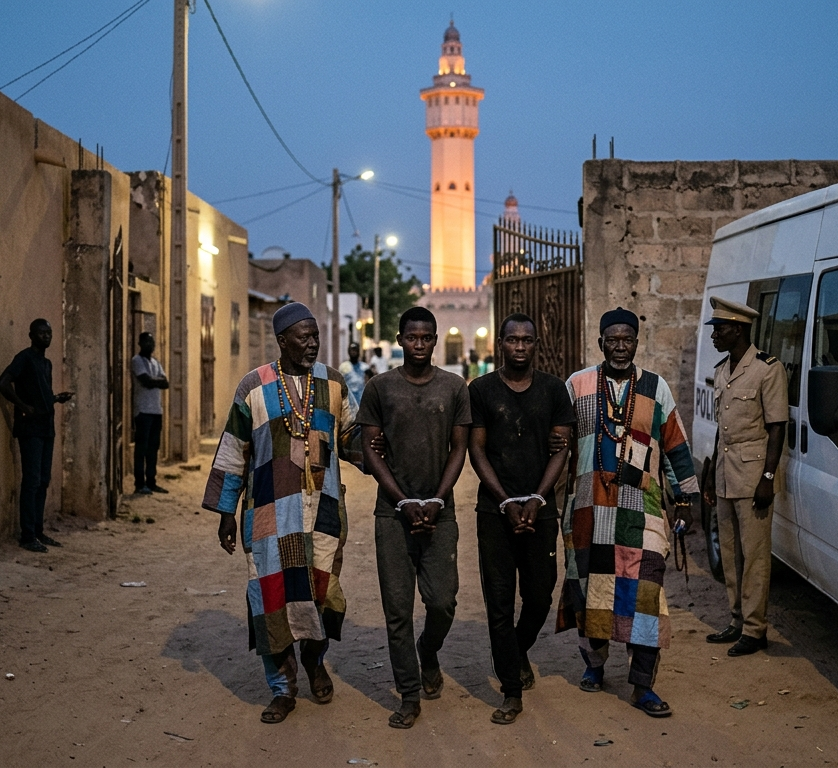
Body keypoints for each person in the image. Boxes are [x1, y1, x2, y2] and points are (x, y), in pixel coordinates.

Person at [201, 302, 361, 725]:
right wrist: (226, 512)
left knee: (323, 594)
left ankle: (314, 661)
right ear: (282, 340)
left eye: (315, 336)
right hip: (269, 515)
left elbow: (352, 438)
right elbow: (235, 451)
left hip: (322, 514)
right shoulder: (252, 387)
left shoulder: (333, 383)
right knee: (272, 598)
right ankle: (282, 687)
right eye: (303, 337)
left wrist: (386, 441)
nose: (311, 344)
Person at [557, 307, 699, 718]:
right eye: (612, 340)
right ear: (601, 342)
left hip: (644, 510)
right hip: (588, 504)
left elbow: (675, 446)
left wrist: (685, 497)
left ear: (637, 342)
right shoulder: (578, 385)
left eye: (628, 340)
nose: (620, 347)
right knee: (591, 587)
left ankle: (641, 685)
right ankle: (594, 666)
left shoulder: (656, 388)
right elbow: (558, 446)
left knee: (646, 594)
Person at [357, 306, 471, 729]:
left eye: (427, 338)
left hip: (440, 513)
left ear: (435, 340)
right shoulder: (379, 388)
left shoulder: (454, 387)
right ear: (400, 339)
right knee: (397, 610)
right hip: (392, 514)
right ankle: (408, 693)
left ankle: (430, 650)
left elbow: (458, 448)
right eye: (412, 337)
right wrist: (402, 500)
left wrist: (438, 500)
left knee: (443, 601)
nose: (419, 345)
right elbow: (370, 447)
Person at [466, 313, 575, 725]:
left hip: (540, 509)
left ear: (536, 344)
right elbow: (477, 451)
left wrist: (536, 499)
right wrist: (506, 502)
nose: (520, 347)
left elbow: (561, 448)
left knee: (540, 595)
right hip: (494, 511)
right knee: (498, 601)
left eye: (527, 340)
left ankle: (515, 649)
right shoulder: (481, 390)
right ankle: (511, 689)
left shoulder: (553, 390)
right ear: (500, 343)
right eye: (512, 340)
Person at [701, 296, 788, 657]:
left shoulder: (768, 368)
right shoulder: (723, 370)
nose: (714, 336)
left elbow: (777, 426)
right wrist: (709, 475)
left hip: (753, 476)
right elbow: (723, 427)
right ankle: (737, 620)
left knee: (754, 556)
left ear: (737, 329)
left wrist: (767, 476)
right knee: (730, 553)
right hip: (725, 473)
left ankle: (755, 630)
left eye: (718, 329)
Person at [0, 318, 74, 553]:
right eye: (41, 333)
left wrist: (56, 399)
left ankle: (38, 531)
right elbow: (2, 383)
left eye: (49, 333)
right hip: (30, 429)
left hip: (46, 427)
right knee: (31, 481)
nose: (46, 337)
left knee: (42, 480)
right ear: (31, 335)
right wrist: (22, 406)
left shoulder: (47, 364)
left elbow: (42, 394)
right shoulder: (24, 358)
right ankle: (27, 534)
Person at [130, 332, 169, 494]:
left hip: (156, 411)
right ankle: (139, 483)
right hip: (143, 410)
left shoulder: (155, 362)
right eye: (146, 342)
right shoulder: (136, 360)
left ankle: (151, 481)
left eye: (152, 342)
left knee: (153, 448)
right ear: (140, 343)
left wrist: (154, 381)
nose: (150, 345)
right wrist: (155, 381)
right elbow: (145, 381)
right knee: (141, 448)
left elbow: (165, 383)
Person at [338, 341, 372, 405]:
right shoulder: (343, 366)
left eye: (355, 350)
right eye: (352, 350)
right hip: (348, 403)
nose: (353, 352)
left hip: (361, 403)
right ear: (349, 352)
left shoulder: (365, 367)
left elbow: (368, 384)